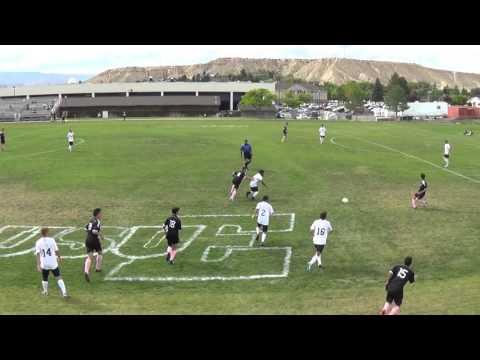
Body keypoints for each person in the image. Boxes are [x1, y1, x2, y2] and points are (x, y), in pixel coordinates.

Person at [35, 227, 68, 298]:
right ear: (46, 232)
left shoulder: (38, 242)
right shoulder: (52, 240)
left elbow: (37, 254)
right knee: (58, 277)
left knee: (44, 277)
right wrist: (59, 257)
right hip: (53, 262)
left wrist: (38, 264)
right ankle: (64, 292)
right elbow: (56, 250)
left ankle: (45, 291)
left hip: (44, 263)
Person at [84, 208, 103, 282]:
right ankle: (98, 268)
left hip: (88, 239)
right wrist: (100, 235)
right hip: (94, 240)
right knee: (100, 252)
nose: (101, 215)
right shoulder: (97, 221)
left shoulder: (91, 220)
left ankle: (86, 271)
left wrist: (89, 234)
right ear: (97, 214)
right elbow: (95, 231)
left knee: (90, 257)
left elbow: (85, 228)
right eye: (100, 213)